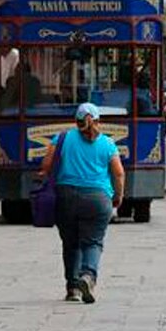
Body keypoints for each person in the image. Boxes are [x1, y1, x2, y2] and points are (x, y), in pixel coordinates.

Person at [41, 103, 125, 303]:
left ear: (75, 121)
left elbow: (46, 165)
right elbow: (119, 173)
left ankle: (73, 289)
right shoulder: (107, 143)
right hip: (98, 198)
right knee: (93, 242)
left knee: (71, 244)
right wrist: (118, 196)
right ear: (98, 121)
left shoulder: (62, 138)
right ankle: (88, 276)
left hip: (66, 196)